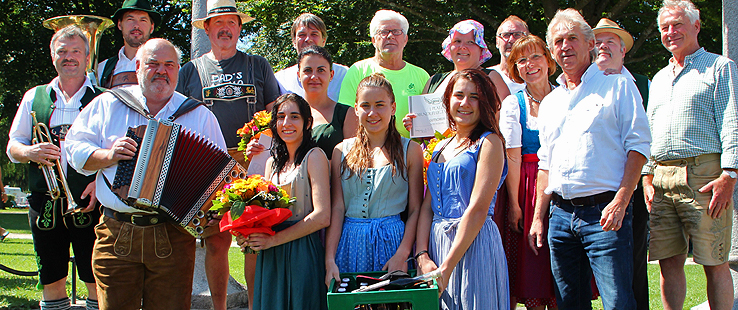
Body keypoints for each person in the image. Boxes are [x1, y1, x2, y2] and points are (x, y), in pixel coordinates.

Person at [65, 38, 225, 310]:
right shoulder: (108, 103)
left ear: (177, 70)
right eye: (153, 64)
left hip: (172, 236)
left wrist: (210, 209)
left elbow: (218, 174)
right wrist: (109, 155)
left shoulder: (198, 114)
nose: (161, 71)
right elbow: (73, 148)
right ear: (138, 66)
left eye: (169, 65)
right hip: (117, 232)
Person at [527, 8, 651, 309]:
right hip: (560, 216)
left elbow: (639, 147)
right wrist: (538, 218)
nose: (565, 46)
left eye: (572, 39)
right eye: (558, 41)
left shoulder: (618, 86)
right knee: (569, 302)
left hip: (605, 213)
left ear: (589, 43)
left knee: (618, 302)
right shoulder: (551, 102)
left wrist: (621, 201)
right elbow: (546, 163)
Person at [176, 0, 280, 308]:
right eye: (218, 23)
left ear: (239, 27)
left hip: (254, 163)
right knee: (216, 241)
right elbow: (176, 118)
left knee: (252, 241)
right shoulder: (190, 71)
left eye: (231, 22)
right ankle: (219, 307)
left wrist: (263, 139)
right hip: (207, 166)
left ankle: (253, 306)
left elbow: (275, 113)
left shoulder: (257, 65)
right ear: (206, 28)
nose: (225, 28)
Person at [644, 1, 738, 309]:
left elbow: (732, 121)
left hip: (705, 175)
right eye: (665, 27)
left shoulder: (719, 67)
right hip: (662, 178)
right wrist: (647, 174)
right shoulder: (658, 78)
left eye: (678, 25)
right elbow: (650, 129)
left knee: (714, 261)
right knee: (668, 262)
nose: (671, 32)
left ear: (696, 27)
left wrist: (730, 174)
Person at [6, 25, 103, 310]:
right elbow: (13, 146)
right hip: (44, 201)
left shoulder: (103, 97)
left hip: (89, 199)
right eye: (62, 51)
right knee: (51, 277)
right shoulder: (33, 97)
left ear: (87, 57)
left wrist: (100, 183)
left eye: (76, 51)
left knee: (95, 276)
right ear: (53, 57)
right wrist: (30, 151)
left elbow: (118, 152)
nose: (69, 57)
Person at [414, 69, 509, 309]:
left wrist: (446, 268)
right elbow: (428, 206)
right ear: (448, 100)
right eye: (459, 95)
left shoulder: (489, 142)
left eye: (474, 97)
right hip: (437, 245)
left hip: (473, 244)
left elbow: (478, 209)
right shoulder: (439, 146)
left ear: (485, 102)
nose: (465, 103)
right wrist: (422, 255)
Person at [325, 73, 423, 285]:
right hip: (350, 243)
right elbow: (338, 209)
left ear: (393, 107)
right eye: (365, 105)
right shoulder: (341, 151)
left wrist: (403, 253)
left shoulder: (411, 150)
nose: (372, 112)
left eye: (380, 105)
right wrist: (330, 259)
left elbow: (416, 209)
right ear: (356, 109)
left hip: (393, 243)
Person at [236, 93, 331, 310]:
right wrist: (247, 235)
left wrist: (273, 241)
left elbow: (322, 216)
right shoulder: (271, 163)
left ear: (307, 123)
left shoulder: (315, 156)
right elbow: (262, 212)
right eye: (280, 117)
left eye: (294, 117)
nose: (286, 123)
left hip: (302, 250)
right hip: (271, 255)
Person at [592, 17, 651, 310]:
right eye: (598, 42)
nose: (603, 46)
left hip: (632, 190)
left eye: (610, 41)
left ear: (623, 49)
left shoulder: (642, 84)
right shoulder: (580, 85)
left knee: (634, 264)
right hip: (591, 193)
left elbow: (648, 139)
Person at [497, 35, 558, 310]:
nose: (529, 64)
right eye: (521, 60)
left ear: (548, 60)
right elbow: (512, 156)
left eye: (535, 57)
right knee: (532, 266)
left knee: (562, 265)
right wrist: (515, 203)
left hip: (562, 183)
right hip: (527, 184)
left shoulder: (566, 96)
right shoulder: (514, 104)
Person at [247, 46, 358, 160]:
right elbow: (277, 156)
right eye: (308, 70)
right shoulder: (285, 114)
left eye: (321, 70)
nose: (314, 77)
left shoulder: (347, 114)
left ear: (331, 75)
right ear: (299, 76)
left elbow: (352, 163)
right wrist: (256, 152)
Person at [338, 10, 430, 138]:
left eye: (397, 31)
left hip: (411, 153)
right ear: (374, 40)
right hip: (367, 152)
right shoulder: (357, 71)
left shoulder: (422, 76)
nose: (391, 36)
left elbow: (430, 125)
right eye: (384, 32)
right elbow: (347, 118)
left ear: (405, 39)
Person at [274, 13, 349, 102]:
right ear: (294, 41)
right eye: (302, 35)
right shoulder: (280, 80)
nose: (308, 39)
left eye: (314, 34)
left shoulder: (344, 75)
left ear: (324, 40)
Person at [98, 0, 160, 88]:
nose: (136, 26)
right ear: (120, 25)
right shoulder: (102, 68)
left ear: (152, 27)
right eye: (130, 19)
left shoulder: (167, 67)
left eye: (143, 20)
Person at [490, 15, 530, 95]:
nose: (511, 40)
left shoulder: (536, 76)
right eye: (506, 35)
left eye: (517, 35)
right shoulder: (486, 76)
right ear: (497, 42)